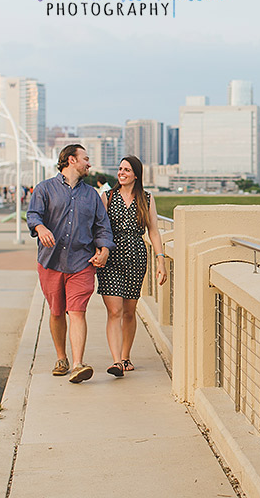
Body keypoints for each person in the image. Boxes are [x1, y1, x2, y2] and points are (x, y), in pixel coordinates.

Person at [27, 144, 114, 384]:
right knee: (56, 312)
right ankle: (61, 358)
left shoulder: (92, 196)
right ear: (71, 160)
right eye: (86, 159)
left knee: (77, 312)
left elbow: (102, 227)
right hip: (51, 261)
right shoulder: (45, 189)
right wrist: (40, 227)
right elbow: (33, 214)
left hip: (82, 262)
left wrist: (105, 249)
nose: (89, 163)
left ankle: (78, 364)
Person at [97, 155, 167, 376]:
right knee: (114, 310)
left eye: (126, 169)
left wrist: (161, 260)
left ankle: (126, 357)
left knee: (129, 311)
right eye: (120, 169)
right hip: (111, 257)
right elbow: (98, 228)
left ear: (136, 174)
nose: (121, 173)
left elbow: (154, 231)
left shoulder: (146, 199)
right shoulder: (106, 196)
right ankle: (116, 361)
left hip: (136, 257)